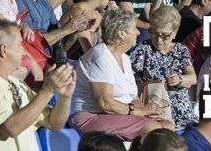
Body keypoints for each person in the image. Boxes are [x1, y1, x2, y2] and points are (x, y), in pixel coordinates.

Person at [0, 19, 76, 151]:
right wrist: (47, 91)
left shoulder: (17, 83)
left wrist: (65, 97)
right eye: (20, 45)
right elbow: (12, 128)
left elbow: (53, 123)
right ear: (3, 50)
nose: (24, 51)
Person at [70, 9, 172, 140]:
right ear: (122, 33)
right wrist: (138, 111)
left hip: (117, 114)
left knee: (168, 126)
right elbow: (106, 103)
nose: (138, 32)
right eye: (134, 28)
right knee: (153, 129)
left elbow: (133, 98)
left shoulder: (124, 58)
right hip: (91, 116)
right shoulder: (101, 56)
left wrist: (147, 110)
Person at [128, 6, 197, 131]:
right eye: (154, 33)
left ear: (175, 32)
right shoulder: (144, 48)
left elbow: (193, 78)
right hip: (157, 112)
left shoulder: (180, 50)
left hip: (181, 112)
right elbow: (125, 75)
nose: (158, 40)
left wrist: (180, 79)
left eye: (165, 35)